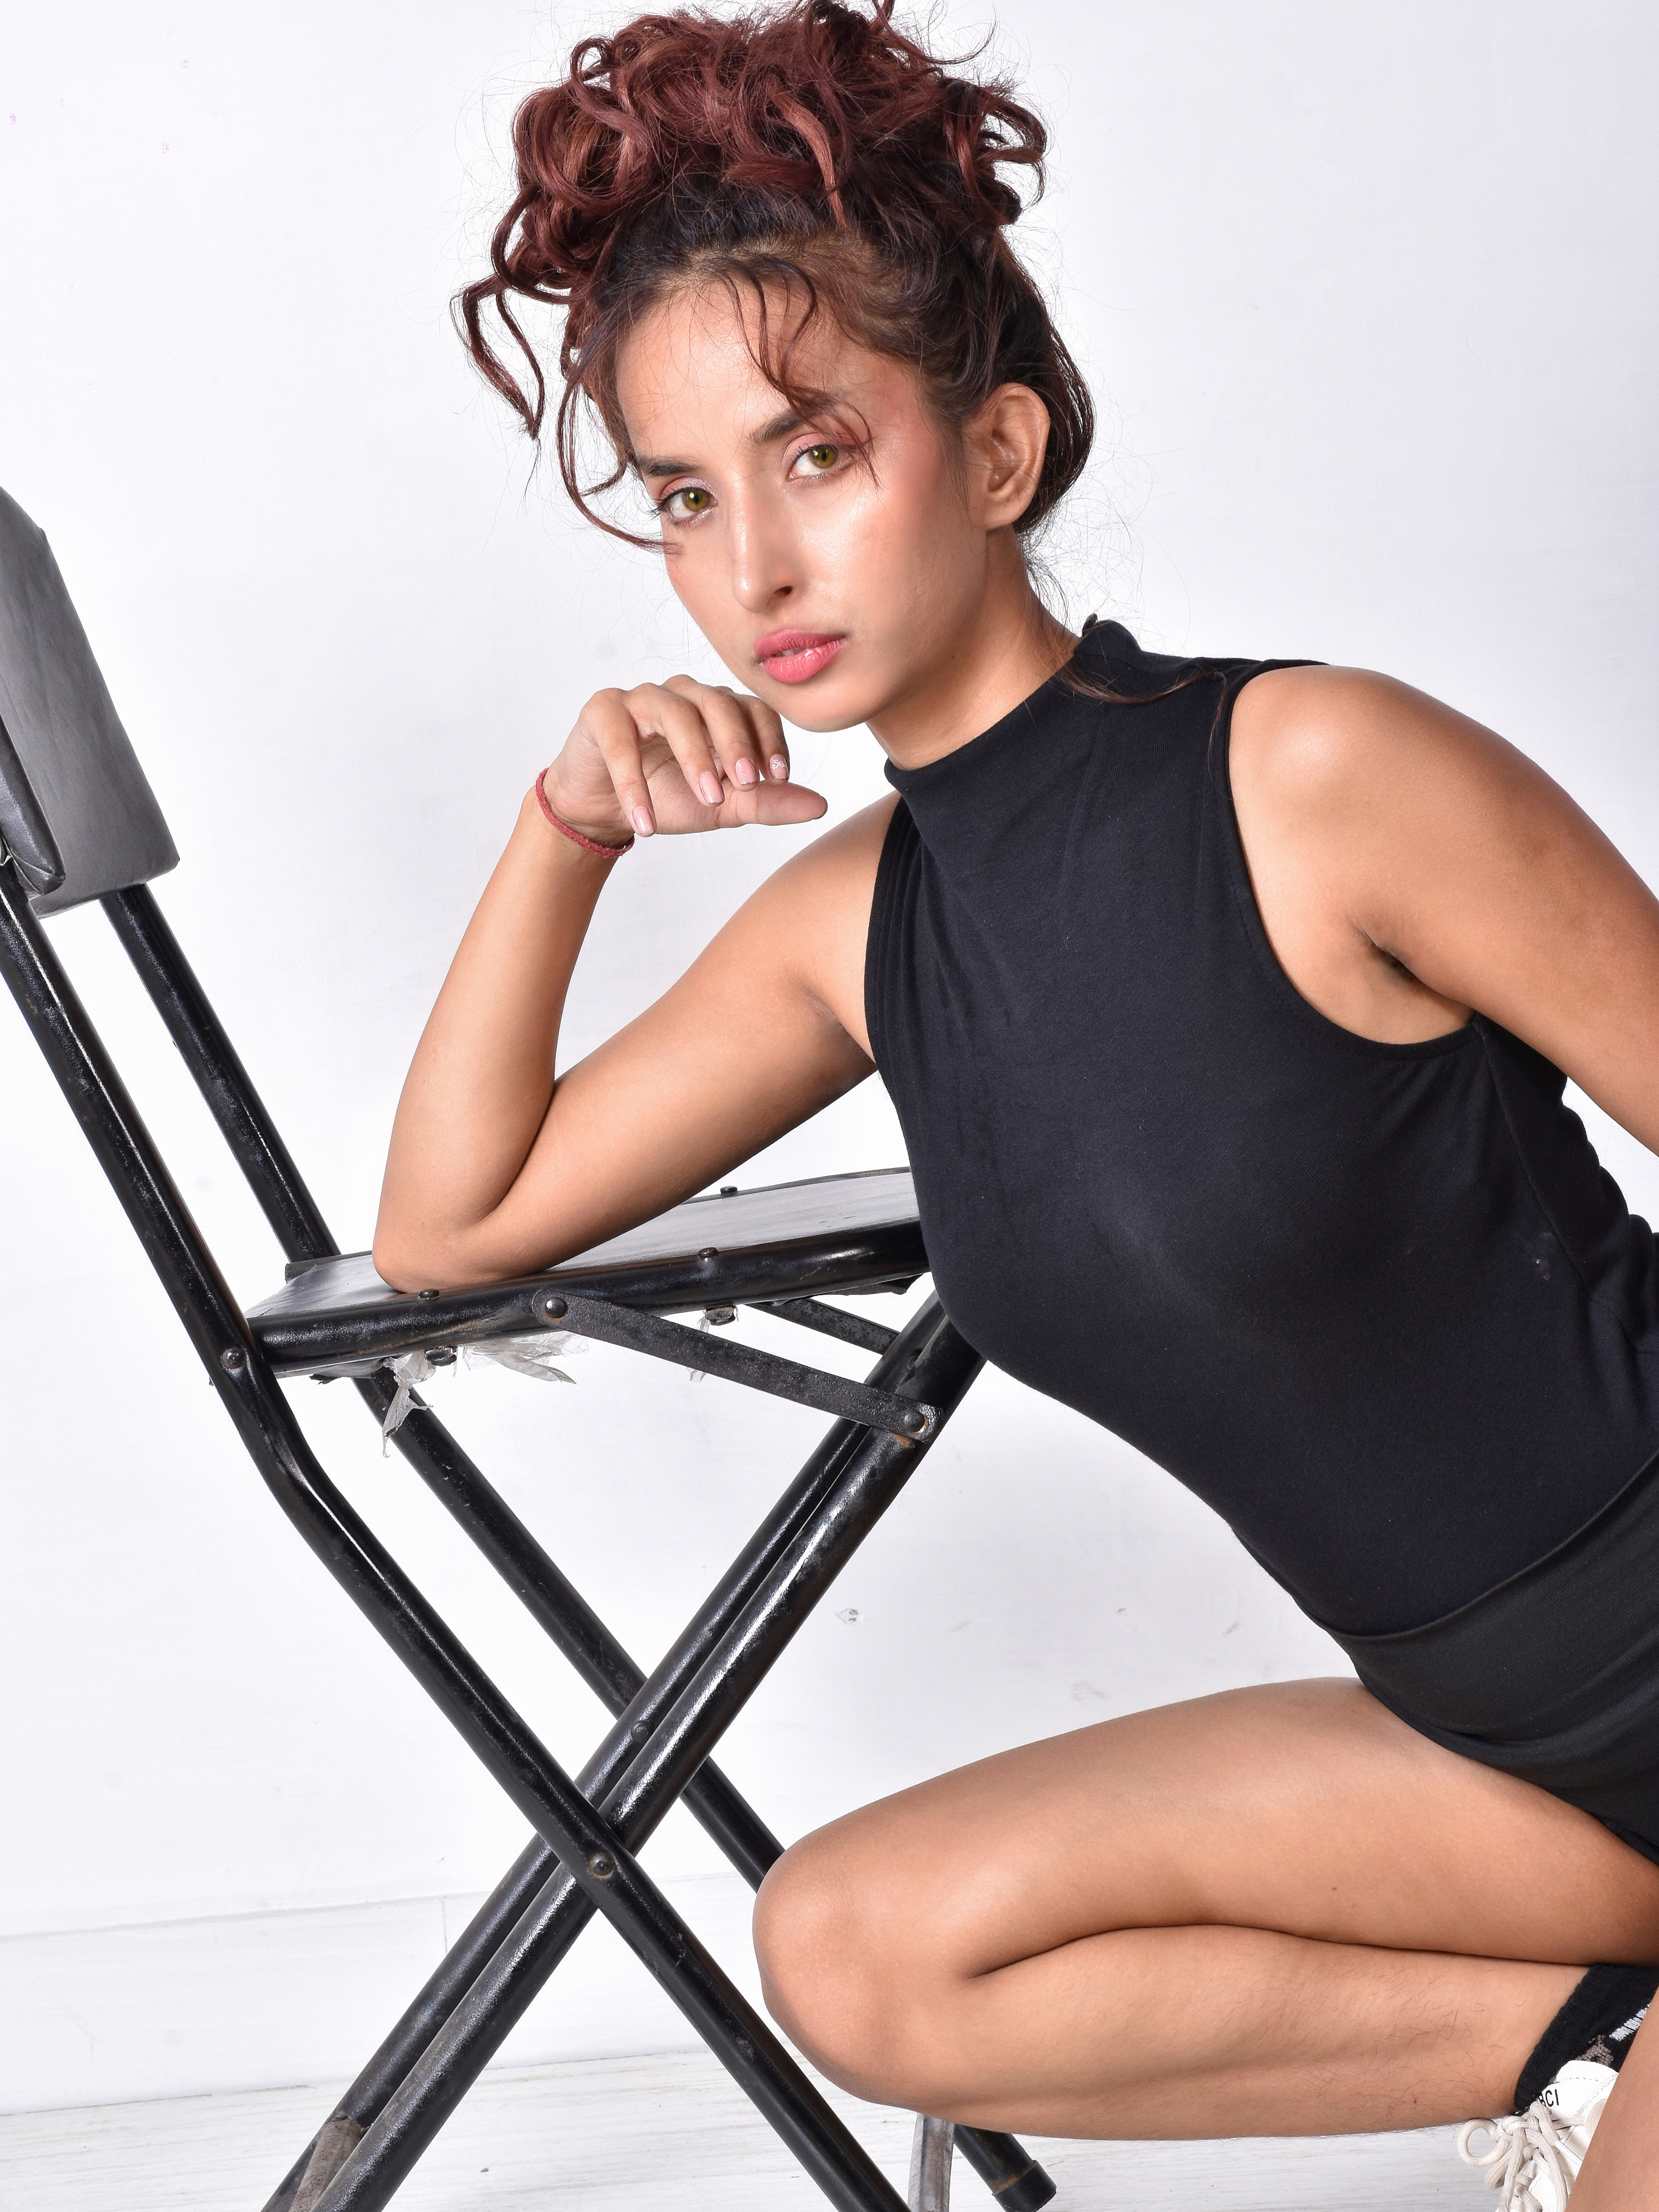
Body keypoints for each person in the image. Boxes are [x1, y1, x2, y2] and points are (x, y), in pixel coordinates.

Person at [372, 4, 1659, 2200]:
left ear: (991, 453)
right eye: (685, 497)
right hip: (1497, 1761)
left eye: (814, 454)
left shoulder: (1315, 771)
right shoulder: (849, 927)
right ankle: (1589, 2045)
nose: (752, 569)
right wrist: (562, 832)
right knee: (860, 1952)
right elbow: (450, 1228)